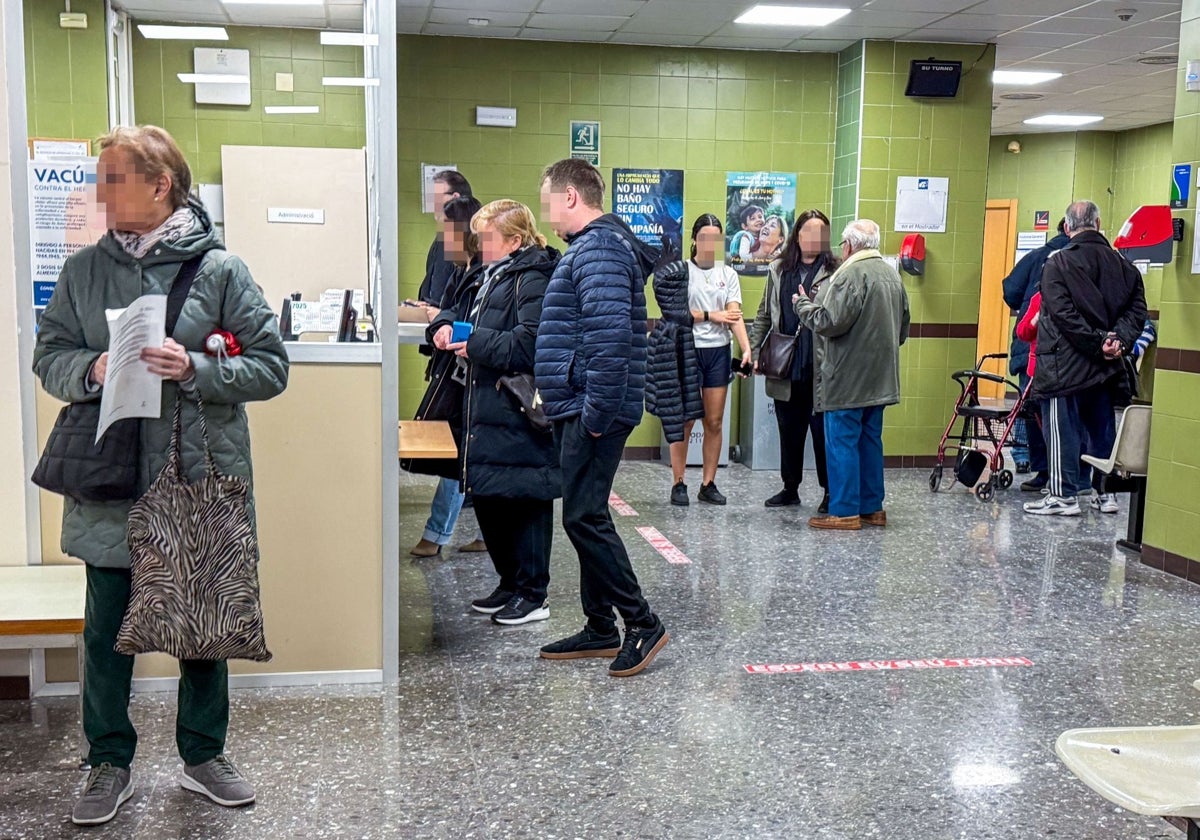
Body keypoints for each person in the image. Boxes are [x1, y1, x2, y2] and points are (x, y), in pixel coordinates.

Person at [32, 125, 288, 826]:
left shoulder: (221, 270)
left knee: (201, 625)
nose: (98, 192)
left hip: (197, 472)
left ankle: (204, 756)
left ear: (160, 186)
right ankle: (106, 760)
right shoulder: (85, 271)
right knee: (106, 630)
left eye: (112, 178)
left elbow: (271, 367)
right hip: (111, 474)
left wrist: (198, 370)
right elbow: (48, 354)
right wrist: (91, 369)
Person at [534, 158, 669, 677]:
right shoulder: (594, 249)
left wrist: (595, 415)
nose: (547, 216)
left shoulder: (601, 249)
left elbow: (611, 341)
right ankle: (598, 626)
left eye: (549, 202)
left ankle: (641, 622)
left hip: (594, 409)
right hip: (582, 404)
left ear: (571, 197)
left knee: (583, 516)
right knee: (587, 513)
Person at [429, 200, 561, 624]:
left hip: (515, 408)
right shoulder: (484, 274)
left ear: (515, 241)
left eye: (487, 238)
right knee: (488, 496)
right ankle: (510, 582)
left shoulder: (534, 277)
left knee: (525, 499)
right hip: (480, 403)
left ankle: (533, 593)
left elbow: (530, 343)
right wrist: (443, 326)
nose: (479, 245)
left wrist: (476, 344)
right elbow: (452, 308)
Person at [1024, 200, 1147, 517]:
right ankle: (1105, 495)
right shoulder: (1125, 267)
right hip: (1106, 369)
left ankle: (1062, 495)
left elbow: (1063, 316)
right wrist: (1116, 340)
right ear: (1098, 223)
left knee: (1062, 433)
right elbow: (1137, 312)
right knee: (1102, 431)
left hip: (1064, 367)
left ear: (1067, 227)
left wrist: (1096, 343)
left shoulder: (1057, 265)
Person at [795, 219, 909, 531]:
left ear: (848, 246)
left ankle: (844, 511)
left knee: (841, 442)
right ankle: (873, 508)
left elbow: (829, 321)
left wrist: (802, 305)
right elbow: (903, 329)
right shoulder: (891, 276)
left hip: (846, 380)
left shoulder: (848, 275)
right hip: (882, 379)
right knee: (870, 441)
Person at [408, 194, 488, 558]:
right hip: (461, 376)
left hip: (473, 379)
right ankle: (472, 535)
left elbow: (474, 324)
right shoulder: (466, 272)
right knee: (469, 458)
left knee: (462, 457)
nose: (444, 244)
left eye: (449, 235)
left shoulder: (483, 275)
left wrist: (443, 318)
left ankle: (437, 534)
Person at [750, 209, 837, 512]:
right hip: (785, 366)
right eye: (808, 232)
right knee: (789, 431)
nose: (814, 238)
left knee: (822, 434)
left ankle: (829, 492)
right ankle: (790, 488)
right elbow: (764, 314)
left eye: (820, 233)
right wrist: (753, 349)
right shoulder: (778, 270)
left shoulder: (835, 272)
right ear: (797, 235)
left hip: (820, 368)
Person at [667, 214, 751, 506]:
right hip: (689, 349)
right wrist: (709, 315)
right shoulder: (681, 272)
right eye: (705, 237)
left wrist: (746, 348)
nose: (710, 243)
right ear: (694, 239)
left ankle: (708, 483)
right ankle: (679, 482)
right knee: (685, 419)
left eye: (716, 237)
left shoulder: (727, 274)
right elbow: (676, 314)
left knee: (713, 421)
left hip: (718, 350)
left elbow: (734, 315)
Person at [1003, 218, 1068, 491]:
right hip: (1064, 356)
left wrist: (1030, 308)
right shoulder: (1075, 259)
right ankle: (1065, 473)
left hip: (1028, 350)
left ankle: (1032, 463)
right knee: (1061, 414)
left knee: (1028, 408)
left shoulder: (1037, 256)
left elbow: (1010, 290)